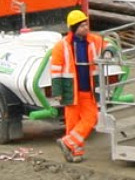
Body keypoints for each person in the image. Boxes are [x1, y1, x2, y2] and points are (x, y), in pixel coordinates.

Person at [46, 9, 109, 163]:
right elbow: (55, 70)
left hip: (89, 91)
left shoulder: (94, 40)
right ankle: (75, 153)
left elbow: (109, 47)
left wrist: (108, 54)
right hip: (71, 91)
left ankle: (67, 142)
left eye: (86, 24)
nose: (85, 28)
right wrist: (58, 91)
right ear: (73, 28)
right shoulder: (61, 46)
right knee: (72, 123)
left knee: (91, 119)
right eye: (81, 26)